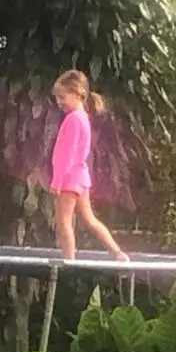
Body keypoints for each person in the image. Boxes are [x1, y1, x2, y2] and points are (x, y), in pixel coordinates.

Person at [49, 69, 129, 261]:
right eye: (57, 98)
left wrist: (57, 181)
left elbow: (66, 154)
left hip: (69, 178)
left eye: (62, 97)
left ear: (78, 94)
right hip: (80, 177)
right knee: (90, 220)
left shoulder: (73, 119)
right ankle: (118, 253)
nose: (59, 102)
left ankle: (69, 260)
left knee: (64, 222)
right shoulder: (83, 117)